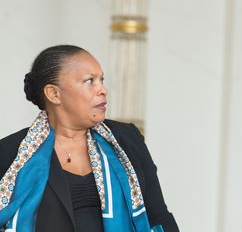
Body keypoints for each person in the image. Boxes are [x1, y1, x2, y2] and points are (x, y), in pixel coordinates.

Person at [0, 45, 179, 232]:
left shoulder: (127, 139)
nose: (102, 90)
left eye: (101, 80)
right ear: (54, 94)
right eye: (89, 81)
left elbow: (158, 216)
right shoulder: (11, 153)